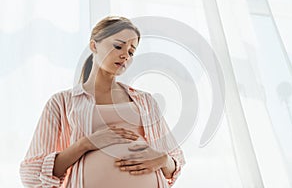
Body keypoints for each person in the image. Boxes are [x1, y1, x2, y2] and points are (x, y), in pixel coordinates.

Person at [19, 16, 185, 188]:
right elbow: (31, 174)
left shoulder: (146, 101)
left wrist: (163, 160)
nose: (124, 55)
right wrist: (86, 143)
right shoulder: (61, 102)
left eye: (131, 52)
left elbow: (175, 160)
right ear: (94, 45)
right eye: (118, 46)